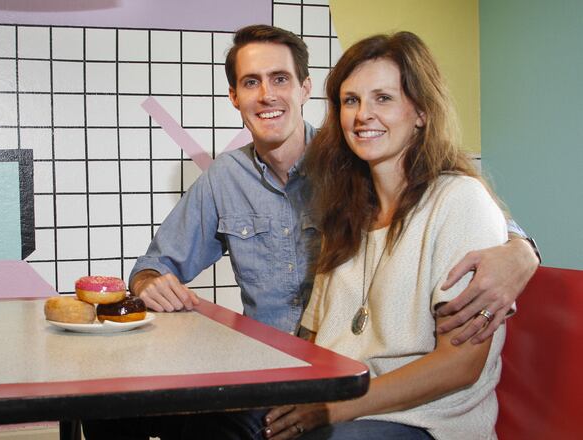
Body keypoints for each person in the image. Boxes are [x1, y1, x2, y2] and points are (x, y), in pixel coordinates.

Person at [84, 25, 539, 440]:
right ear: (234, 97)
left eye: (280, 79)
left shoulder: (363, 174)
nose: (266, 95)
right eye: (250, 82)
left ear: (304, 89)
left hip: (361, 398)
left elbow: (463, 208)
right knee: (114, 407)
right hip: (289, 376)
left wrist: (522, 249)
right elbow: (153, 267)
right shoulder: (344, 201)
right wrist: (150, 283)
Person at [263, 31, 506, 439]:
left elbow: (461, 364)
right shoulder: (347, 211)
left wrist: (333, 410)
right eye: (351, 100)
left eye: (383, 98)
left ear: (421, 112)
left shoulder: (460, 200)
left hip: (427, 423)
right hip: (347, 410)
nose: (362, 115)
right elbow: (317, 341)